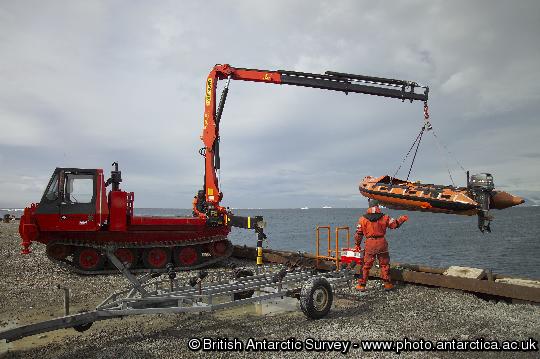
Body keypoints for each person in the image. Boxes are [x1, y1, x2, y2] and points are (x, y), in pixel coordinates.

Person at [354, 201, 408, 291]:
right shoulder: (385, 217)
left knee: (366, 265)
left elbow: (358, 234)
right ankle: (387, 284)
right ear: (377, 206)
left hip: (370, 243)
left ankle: (362, 285)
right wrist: (402, 219)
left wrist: (357, 245)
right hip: (382, 243)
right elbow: (394, 224)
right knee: (384, 264)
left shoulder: (362, 219)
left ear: (369, 207)